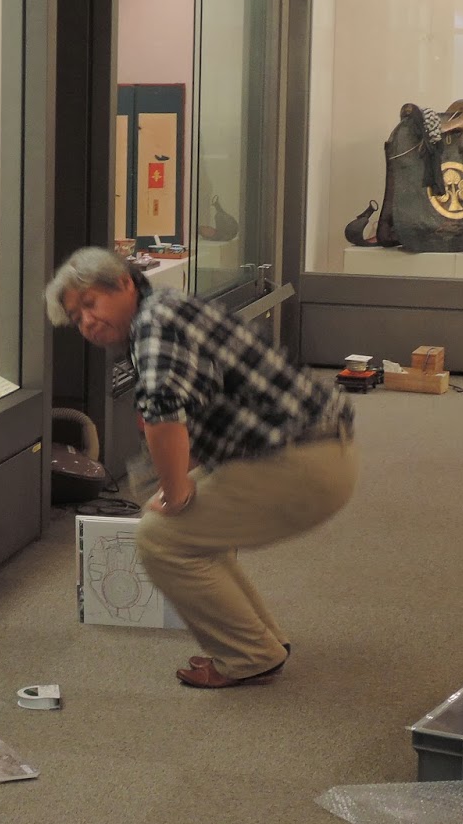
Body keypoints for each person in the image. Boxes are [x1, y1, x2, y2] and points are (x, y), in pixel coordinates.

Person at [46, 247, 358, 689]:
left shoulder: (154, 322)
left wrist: (175, 492)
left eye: (91, 304)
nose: (88, 322)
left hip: (302, 461)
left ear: (124, 284)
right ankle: (263, 642)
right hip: (316, 451)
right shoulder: (164, 311)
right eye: (77, 318)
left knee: (160, 538)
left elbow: (163, 413)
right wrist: (178, 485)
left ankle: (249, 656)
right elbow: (192, 410)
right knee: (186, 525)